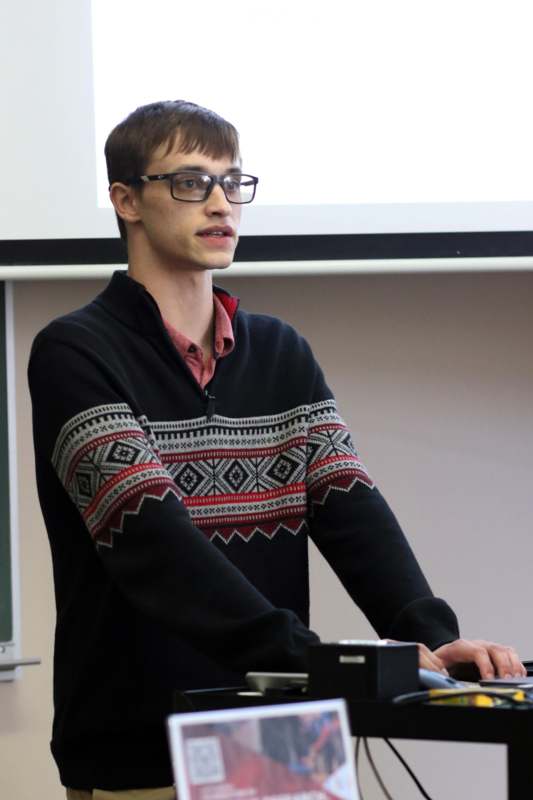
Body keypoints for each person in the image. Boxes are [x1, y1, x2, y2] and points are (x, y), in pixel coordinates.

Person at [28, 100, 525, 799]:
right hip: (138, 734)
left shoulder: (280, 352)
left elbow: (352, 512)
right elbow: (153, 543)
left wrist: (429, 636)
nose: (220, 202)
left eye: (233, 182)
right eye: (190, 182)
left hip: (280, 730)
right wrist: (317, 660)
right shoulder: (75, 351)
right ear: (125, 199)